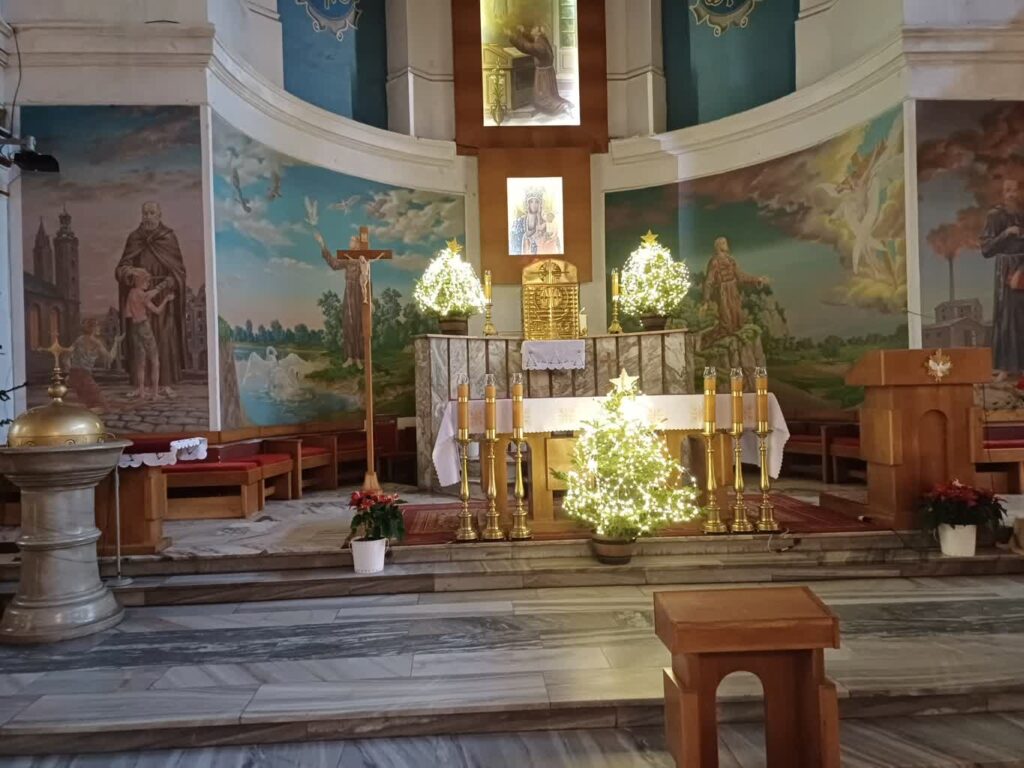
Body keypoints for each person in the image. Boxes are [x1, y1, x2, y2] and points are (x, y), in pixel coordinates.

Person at [115, 201, 188, 395]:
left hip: (162, 294)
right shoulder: (134, 238)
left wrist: (160, 288)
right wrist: (130, 272)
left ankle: (164, 384)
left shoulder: (168, 237)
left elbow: (178, 272)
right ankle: (141, 386)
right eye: (145, 213)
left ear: (159, 215)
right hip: (139, 298)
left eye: (152, 213)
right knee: (139, 343)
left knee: (163, 339)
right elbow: (121, 268)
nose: (148, 217)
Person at [980, 178, 1024, 379]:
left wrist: (1021, 271)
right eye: (1008, 190)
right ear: (1002, 193)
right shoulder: (995, 215)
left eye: (1015, 190)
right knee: (1006, 318)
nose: (1011, 194)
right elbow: (986, 250)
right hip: (1005, 269)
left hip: (1022, 266)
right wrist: (1006, 233)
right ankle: (1005, 368)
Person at [702, 236, 768, 340]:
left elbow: (740, 276)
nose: (726, 245)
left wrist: (756, 279)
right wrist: (706, 300)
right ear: (718, 246)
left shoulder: (731, 260)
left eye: (726, 242)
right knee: (726, 321)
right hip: (723, 291)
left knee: (737, 320)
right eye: (724, 243)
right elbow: (709, 281)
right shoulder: (714, 262)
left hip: (733, 290)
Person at [123, 268, 175, 400]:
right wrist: (166, 298)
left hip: (134, 328)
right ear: (140, 281)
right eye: (146, 281)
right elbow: (157, 310)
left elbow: (128, 314)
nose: (148, 283)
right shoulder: (141, 294)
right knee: (155, 360)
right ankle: (155, 394)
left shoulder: (131, 293)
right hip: (144, 327)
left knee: (140, 362)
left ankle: (141, 392)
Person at [507, 24, 573, 117]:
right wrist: (523, 32)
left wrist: (512, 36)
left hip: (543, 75)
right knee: (547, 97)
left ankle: (562, 107)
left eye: (533, 28)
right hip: (546, 72)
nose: (531, 30)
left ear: (538, 32)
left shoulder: (540, 44)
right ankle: (562, 105)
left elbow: (527, 46)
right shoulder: (541, 39)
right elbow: (531, 40)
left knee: (544, 99)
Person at [67, 318, 122, 409]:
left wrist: (70, 370)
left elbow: (66, 356)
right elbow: (110, 358)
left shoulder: (79, 339)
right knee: (105, 406)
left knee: (90, 403)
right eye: (97, 326)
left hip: (74, 375)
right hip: (84, 376)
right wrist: (116, 343)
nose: (99, 328)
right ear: (92, 328)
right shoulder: (96, 343)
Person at [510, 188, 560, 255]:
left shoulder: (543, 215)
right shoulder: (527, 217)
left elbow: (549, 226)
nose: (534, 204)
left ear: (540, 204)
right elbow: (528, 233)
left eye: (536, 202)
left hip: (544, 240)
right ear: (528, 204)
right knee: (526, 238)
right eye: (531, 202)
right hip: (532, 241)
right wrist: (535, 231)